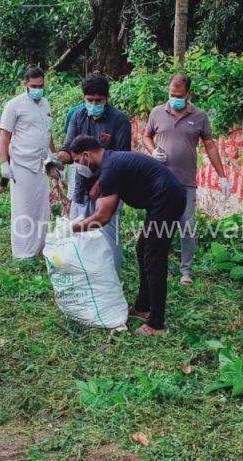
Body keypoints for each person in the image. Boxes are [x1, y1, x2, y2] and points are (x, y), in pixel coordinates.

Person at [68, 135, 185, 336]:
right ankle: (143, 306)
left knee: (154, 259)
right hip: (163, 199)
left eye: (78, 161)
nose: (79, 166)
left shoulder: (110, 169)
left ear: (86, 155)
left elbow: (103, 216)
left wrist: (74, 228)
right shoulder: (111, 162)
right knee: (143, 250)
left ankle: (156, 324)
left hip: (167, 199)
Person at [143, 74, 232, 286]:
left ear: (188, 94)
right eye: (171, 94)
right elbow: (146, 136)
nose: (174, 99)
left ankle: (186, 271)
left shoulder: (199, 116)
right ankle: (161, 267)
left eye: (179, 96)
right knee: (159, 227)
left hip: (186, 183)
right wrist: (153, 151)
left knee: (187, 227)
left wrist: (222, 176)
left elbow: (210, 145)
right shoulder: (157, 112)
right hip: (160, 181)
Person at [59, 73, 132, 274]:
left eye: (98, 100)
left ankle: (111, 277)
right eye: (89, 100)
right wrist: (56, 160)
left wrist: (99, 185)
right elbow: (68, 149)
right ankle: (82, 273)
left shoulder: (119, 121)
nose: (93, 104)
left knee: (107, 234)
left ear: (106, 98)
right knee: (78, 228)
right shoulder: (77, 116)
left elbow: (120, 159)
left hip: (109, 184)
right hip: (80, 181)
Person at [0, 67, 56, 260]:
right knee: (24, 209)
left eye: (41, 85)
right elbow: (4, 135)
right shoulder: (14, 105)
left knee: (42, 208)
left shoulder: (46, 104)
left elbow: (48, 134)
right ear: (26, 84)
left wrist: (54, 157)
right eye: (34, 86)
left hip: (41, 164)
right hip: (22, 163)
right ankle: (23, 253)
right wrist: (3, 162)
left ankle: (40, 247)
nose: (38, 89)